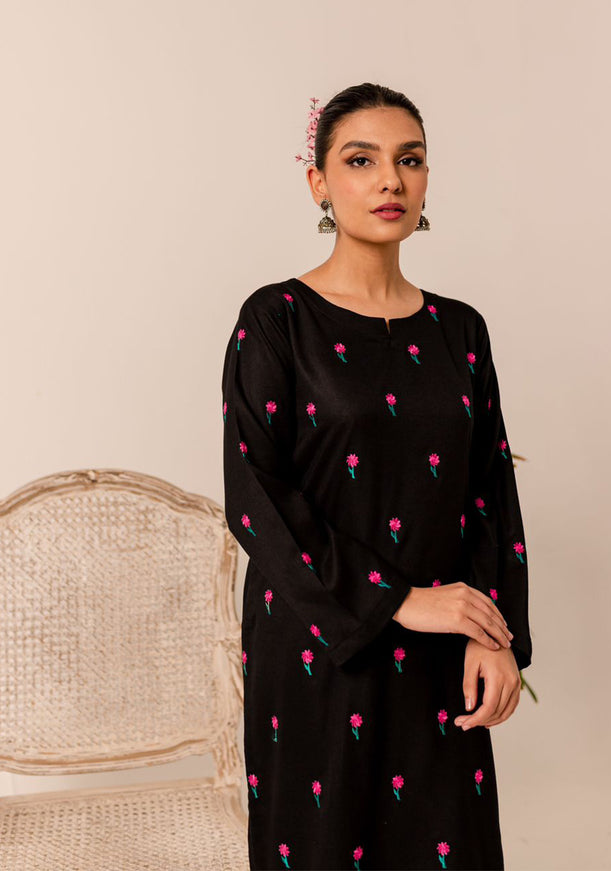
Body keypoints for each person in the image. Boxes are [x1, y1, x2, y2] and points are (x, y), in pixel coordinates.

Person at [221, 82, 532, 871]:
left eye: (409, 160)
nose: (389, 180)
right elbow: (257, 498)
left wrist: (496, 638)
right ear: (319, 181)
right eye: (361, 160)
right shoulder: (276, 319)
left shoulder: (460, 329)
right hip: (321, 649)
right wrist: (400, 600)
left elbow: (489, 491)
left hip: (439, 656)